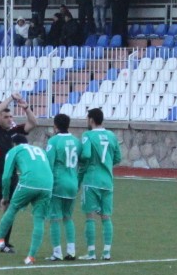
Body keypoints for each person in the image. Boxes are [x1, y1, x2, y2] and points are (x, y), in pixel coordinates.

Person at [0, 133, 53, 264]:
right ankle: (31, 256)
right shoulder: (40, 150)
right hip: (48, 184)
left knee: (12, 208)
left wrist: (5, 196)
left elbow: (6, 176)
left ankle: (0, 238)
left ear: (14, 144)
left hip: (29, 182)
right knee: (39, 219)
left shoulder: (14, 150)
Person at [0, 94, 38, 252]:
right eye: (6, 117)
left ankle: (4, 243)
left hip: (12, 176)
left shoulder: (16, 131)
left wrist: (26, 107)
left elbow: (34, 123)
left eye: (11, 116)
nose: (9, 119)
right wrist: (10, 98)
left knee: (8, 210)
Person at [79, 107, 122, 261]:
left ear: (91, 120)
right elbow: (118, 157)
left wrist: (83, 162)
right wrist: (107, 164)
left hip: (92, 180)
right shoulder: (111, 136)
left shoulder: (88, 135)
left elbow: (86, 154)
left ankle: (91, 253)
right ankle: (107, 252)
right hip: (107, 181)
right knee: (106, 217)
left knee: (90, 217)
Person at [45, 113, 81, 261]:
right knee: (68, 217)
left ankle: (57, 252)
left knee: (54, 218)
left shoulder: (54, 141)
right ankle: (71, 251)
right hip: (73, 183)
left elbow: (49, 164)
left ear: (55, 126)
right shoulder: (76, 141)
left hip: (58, 183)